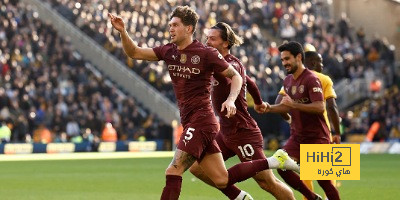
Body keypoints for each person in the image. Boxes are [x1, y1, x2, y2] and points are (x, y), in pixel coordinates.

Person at [108, 6, 299, 200]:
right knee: (221, 179)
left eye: (175, 25)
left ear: (189, 29)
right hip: (205, 124)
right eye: (169, 25)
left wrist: (232, 99)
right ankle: (266, 172)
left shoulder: (206, 53)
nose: (170, 29)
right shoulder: (168, 51)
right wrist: (123, 31)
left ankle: (317, 193)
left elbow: (239, 78)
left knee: (174, 170)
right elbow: (134, 52)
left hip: (204, 121)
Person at [189, 22, 295, 200]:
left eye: (213, 39)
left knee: (267, 182)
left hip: (242, 132)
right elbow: (251, 83)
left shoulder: (231, 65)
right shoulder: (217, 63)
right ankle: (239, 197)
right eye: (207, 38)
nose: (208, 42)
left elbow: (237, 80)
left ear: (226, 43)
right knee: (196, 166)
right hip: (225, 132)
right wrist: (259, 102)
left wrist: (231, 99)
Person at [264, 41, 340, 200]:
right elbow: (284, 106)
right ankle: (312, 197)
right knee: (282, 167)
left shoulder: (312, 79)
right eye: (282, 60)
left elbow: (320, 107)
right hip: (297, 136)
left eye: (287, 59)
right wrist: (269, 108)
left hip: (317, 137)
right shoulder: (288, 81)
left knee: (324, 182)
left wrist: (294, 105)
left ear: (299, 57)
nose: (284, 63)